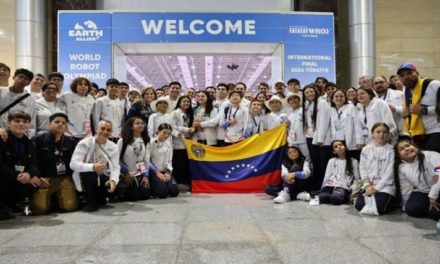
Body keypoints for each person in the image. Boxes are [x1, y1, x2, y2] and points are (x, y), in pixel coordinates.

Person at [0, 111, 44, 220]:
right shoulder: (2, 138)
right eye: (17, 121)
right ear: (8, 123)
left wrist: (29, 174)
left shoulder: (30, 143)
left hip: (17, 176)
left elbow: (34, 164)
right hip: (4, 176)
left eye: (25, 121)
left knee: (35, 182)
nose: (21, 124)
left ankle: (9, 205)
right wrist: (19, 175)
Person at [31, 113, 78, 214]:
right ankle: (51, 200)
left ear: (66, 127)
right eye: (57, 122)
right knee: (39, 209)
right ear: (49, 124)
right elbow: (32, 161)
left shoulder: (72, 142)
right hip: (45, 178)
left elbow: (76, 162)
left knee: (70, 206)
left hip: (64, 177)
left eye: (63, 123)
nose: (60, 124)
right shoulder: (37, 140)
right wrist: (37, 176)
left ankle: (56, 199)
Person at [70, 120, 120, 212]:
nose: (105, 132)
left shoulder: (113, 147)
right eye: (102, 128)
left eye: (108, 130)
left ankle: (99, 197)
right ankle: (89, 200)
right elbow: (73, 164)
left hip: (103, 175)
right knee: (89, 173)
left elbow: (116, 167)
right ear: (96, 129)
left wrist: (113, 180)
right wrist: (92, 167)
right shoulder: (85, 143)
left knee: (119, 187)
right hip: (86, 176)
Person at [398, 63, 440, 151]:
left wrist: (425, 110)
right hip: (417, 136)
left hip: (436, 131)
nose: (406, 77)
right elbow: (411, 113)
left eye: (409, 73)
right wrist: (404, 115)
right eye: (402, 75)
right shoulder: (406, 91)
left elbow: (418, 110)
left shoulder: (433, 84)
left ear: (417, 73)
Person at [355, 122, 395, 215]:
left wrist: (377, 188)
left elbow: (390, 172)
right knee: (359, 205)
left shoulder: (392, 150)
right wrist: (367, 186)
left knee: (379, 207)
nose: (381, 134)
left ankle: (391, 201)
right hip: (369, 184)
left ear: (388, 135)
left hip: (385, 185)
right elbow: (363, 169)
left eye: (384, 132)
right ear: (372, 134)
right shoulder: (366, 149)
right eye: (378, 132)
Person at [394, 140, 440, 221]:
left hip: (437, 190)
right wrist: (406, 204)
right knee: (412, 209)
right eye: (402, 149)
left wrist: (433, 196)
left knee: (435, 214)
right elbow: (405, 188)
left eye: (408, 145)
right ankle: (430, 209)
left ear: (415, 147)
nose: (407, 149)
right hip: (423, 191)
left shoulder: (432, 156)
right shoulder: (402, 167)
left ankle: (432, 210)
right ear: (400, 156)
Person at [118, 117, 151, 201]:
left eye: (142, 123)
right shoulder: (123, 141)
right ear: (131, 126)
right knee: (134, 197)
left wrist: (145, 175)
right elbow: (116, 160)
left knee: (145, 195)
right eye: (137, 123)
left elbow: (143, 160)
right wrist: (125, 173)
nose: (141, 125)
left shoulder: (145, 141)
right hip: (125, 174)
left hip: (138, 173)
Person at [320, 140, 360, 205]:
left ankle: (341, 195)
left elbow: (357, 178)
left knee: (335, 199)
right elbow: (327, 176)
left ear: (345, 146)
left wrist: (352, 189)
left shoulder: (354, 161)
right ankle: (333, 193)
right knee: (323, 198)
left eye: (341, 145)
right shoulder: (332, 161)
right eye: (336, 147)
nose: (339, 147)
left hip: (344, 186)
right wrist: (322, 187)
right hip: (331, 184)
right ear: (334, 151)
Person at [0, 68, 37, 137]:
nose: (22, 80)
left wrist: (29, 138)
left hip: (18, 136)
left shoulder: (30, 99)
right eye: (20, 76)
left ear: (28, 83)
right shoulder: (1, 92)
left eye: (26, 79)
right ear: (14, 77)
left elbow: (31, 123)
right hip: (1, 132)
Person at [147, 123, 179, 198]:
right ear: (158, 131)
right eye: (164, 132)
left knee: (174, 191)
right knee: (162, 193)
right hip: (154, 172)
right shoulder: (151, 143)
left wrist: (168, 172)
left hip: (165, 171)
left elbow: (170, 161)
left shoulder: (169, 144)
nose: (166, 135)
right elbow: (146, 161)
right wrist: (157, 173)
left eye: (169, 133)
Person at [171, 96, 194, 189]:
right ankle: (177, 182)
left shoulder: (188, 113)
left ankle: (183, 182)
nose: (186, 103)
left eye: (188, 101)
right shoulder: (174, 113)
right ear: (179, 102)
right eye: (184, 101)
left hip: (187, 141)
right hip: (178, 140)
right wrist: (186, 129)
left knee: (185, 162)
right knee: (178, 162)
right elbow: (172, 126)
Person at [329, 90, 360, 159]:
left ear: (345, 98)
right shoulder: (331, 110)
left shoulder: (351, 107)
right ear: (332, 99)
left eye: (341, 96)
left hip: (351, 140)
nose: (339, 98)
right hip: (338, 141)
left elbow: (357, 125)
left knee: (353, 162)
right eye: (336, 96)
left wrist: (359, 140)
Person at [286, 94, 309, 161]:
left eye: (295, 98)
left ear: (299, 100)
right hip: (292, 141)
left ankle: (308, 171)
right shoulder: (289, 113)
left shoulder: (305, 110)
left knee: (307, 158)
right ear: (289, 102)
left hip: (303, 140)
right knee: (293, 159)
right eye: (290, 99)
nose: (293, 101)